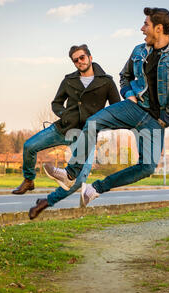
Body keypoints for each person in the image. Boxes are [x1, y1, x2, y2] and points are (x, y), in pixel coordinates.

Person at [30, 7, 169, 218]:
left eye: (146, 24)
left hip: (156, 119)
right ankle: (70, 174)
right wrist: (127, 93)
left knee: (147, 168)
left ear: (159, 28)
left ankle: (96, 189)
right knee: (93, 122)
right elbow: (124, 75)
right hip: (134, 107)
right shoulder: (139, 50)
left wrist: (163, 120)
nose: (142, 29)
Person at [12, 45, 120, 203]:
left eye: (82, 58)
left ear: (90, 57)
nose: (79, 62)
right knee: (29, 146)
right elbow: (56, 103)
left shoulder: (106, 82)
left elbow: (116, 107)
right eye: (75, 60)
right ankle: (29, 180)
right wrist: (64, 115)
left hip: (86, 135)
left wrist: (101, 123)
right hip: (63, 128)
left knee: (79, 177)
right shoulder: (69, 80)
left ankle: (48, 201)